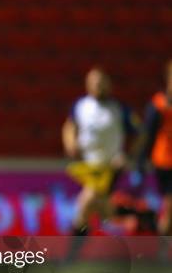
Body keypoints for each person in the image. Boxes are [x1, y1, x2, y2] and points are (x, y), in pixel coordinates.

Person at [61, 67, 139, 236]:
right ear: (87, 85)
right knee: (101, 209)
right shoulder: (81, 106)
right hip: (89, 167)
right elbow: (69, 126)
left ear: (109, 84)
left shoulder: (119, 109)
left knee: (86, 203)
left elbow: (139, 134)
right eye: (95, 82)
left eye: (101, 82)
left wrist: (128, 155)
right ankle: (140, 219)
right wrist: (70, 143)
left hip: (111, 167)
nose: (99, 86)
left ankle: (70, 256)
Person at [136, 59, 172, 260]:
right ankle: (161, 253)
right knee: (170, 207)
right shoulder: (158, 104)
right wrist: (141, 161)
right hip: (165, 163)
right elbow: (148, 135)